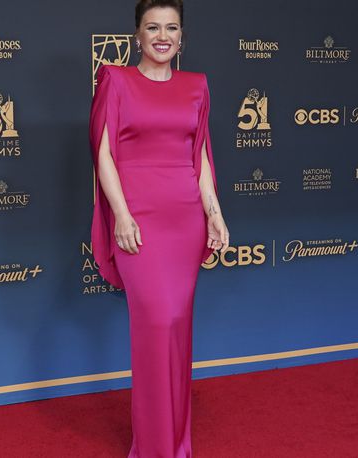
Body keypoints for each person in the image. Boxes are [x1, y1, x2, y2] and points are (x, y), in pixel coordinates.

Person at [89, 1, 229, 456]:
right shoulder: (116, 80)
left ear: (182, 36)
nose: (162, 35)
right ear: (137, 35)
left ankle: (177, 442)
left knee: (177, 326)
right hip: (139, 220)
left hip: (184, 219)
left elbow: (201, 156)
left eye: (171, 27)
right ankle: (153, 447)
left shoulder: (197, 87)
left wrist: (214, 212)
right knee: (156, 321)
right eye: (153, 27)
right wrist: (122, 215)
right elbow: (103, 154)